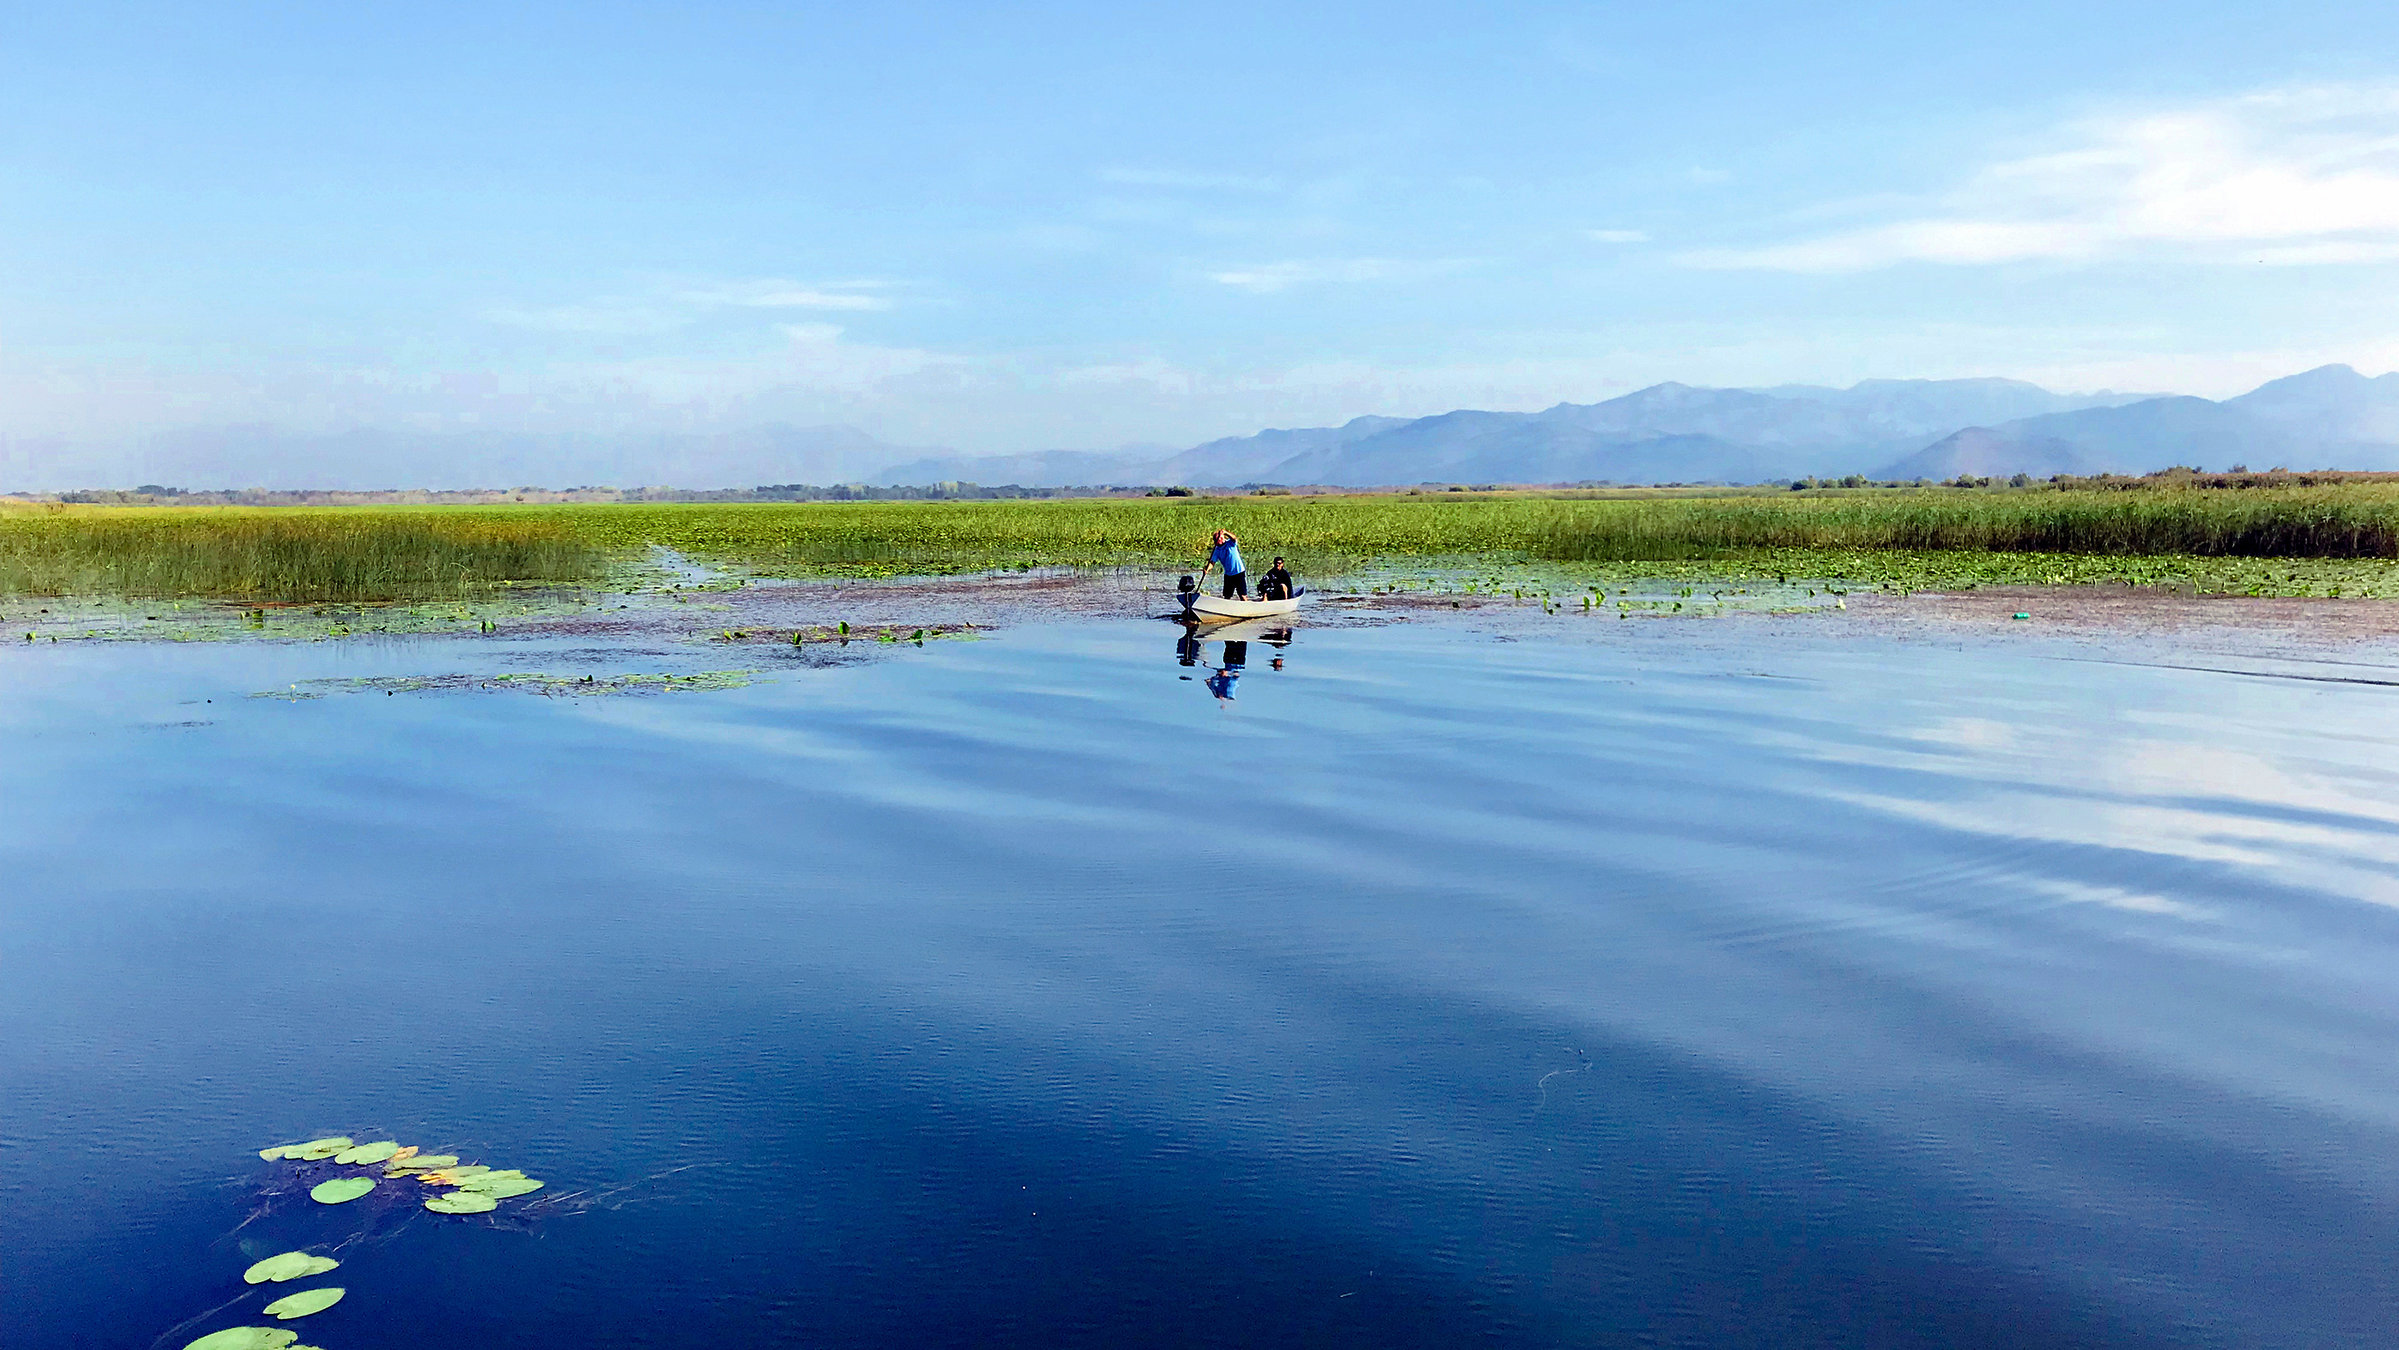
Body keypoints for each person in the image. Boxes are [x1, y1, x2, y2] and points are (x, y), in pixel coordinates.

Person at [1200, 529, 1248, 599]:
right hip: (1228, 574)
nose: (1219, 540)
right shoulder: (1217, 550)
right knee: (1227, 596)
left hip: (1239, 572)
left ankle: (1246, 605)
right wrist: (1207, 569)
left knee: (1242, 595)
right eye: (1216, 540)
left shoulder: (1230, 543)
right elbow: (1212, 563)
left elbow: (1234, 538)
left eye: (1220, 538)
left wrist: (1226, 533)